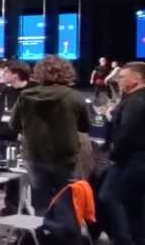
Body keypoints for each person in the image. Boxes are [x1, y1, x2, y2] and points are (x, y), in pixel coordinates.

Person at [99, 62, 145, 245]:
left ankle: (123, 244)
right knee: (144, 201)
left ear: (136, 79)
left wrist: (114, 156)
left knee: (109, 197)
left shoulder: (135, 101)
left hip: (132, 158)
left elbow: (127, 132)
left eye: (122, 77)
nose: (118, 81)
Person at [10, 56, 92, 213]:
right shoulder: (74, 96)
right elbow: (85, 127)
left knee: (40, 203)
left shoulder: (25, 96)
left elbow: (13, 125)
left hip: (34, 155)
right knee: (66, 203)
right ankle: (63, 227)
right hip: (65, 158)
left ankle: (43, 227)